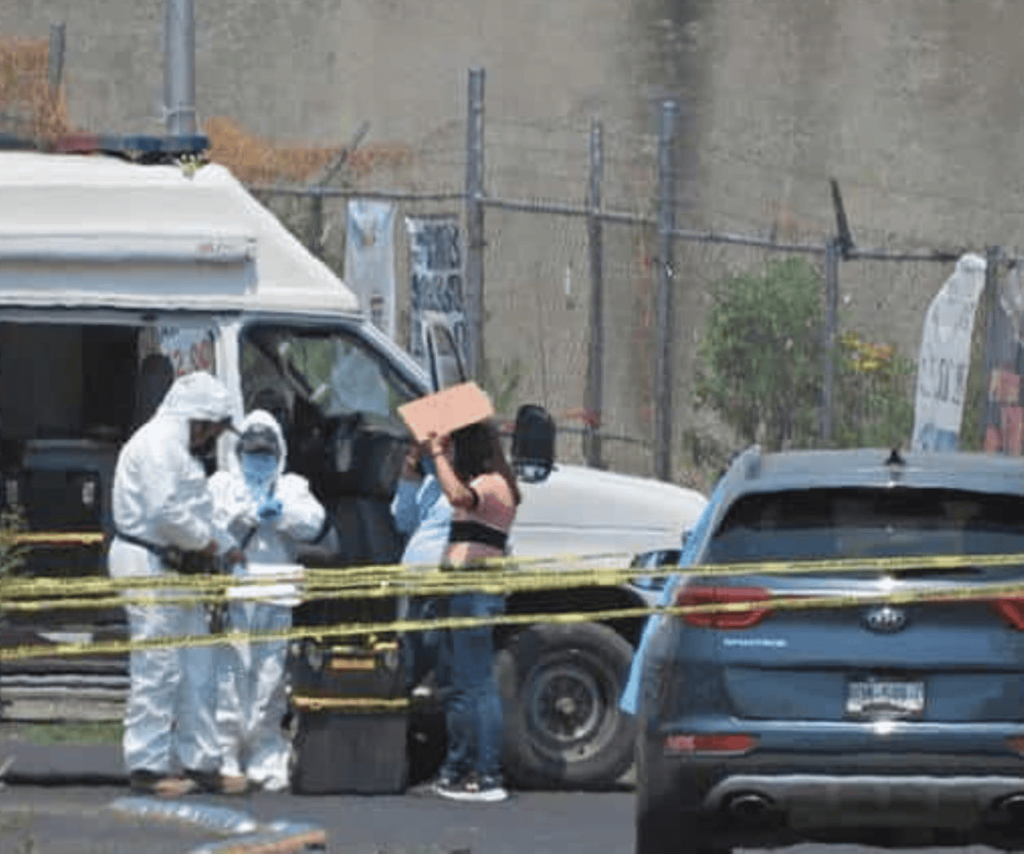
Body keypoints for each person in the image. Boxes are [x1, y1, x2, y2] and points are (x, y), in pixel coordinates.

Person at [108, 370, 239, 798]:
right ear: (199, 419)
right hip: (148, 561)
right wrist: (209, 542)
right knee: (158, 664)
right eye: (213, 429)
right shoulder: (157, 444)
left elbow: (196, 510)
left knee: (198, 664)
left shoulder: (179, 450)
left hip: (176, 566)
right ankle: (147, 765)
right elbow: (165, 512)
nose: (212, 438)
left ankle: (202, 762)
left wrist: (227, 545)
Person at [209, 409, 327, 793]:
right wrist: (244, 513)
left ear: (279, 454)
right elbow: (204, 522)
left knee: (270, 681)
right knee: (229, 678)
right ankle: (225, 754)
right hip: (235, 597)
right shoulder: (223, 485)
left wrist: (280, 515)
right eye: (252, 453)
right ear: (238, 453)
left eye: (265, 454)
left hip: (277, 597)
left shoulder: (291, 487)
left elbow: (314, 521)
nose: (258, 462)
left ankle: (265, 753)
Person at [426, 419, 521, 803]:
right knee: (459, 685)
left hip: (475, 590)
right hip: (460, 590)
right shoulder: (484, 483)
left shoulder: (494, 485)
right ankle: (458, 766)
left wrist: (437, 453)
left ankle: (487, 774)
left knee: (477, 684)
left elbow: (457, 496)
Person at [390, 440, 453, 695]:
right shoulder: (429, 483)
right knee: (411, 650)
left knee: (434, 646)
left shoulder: (470, 484)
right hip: (414, 587)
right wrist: (410, 472)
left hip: (442, 587)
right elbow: (403, 520)